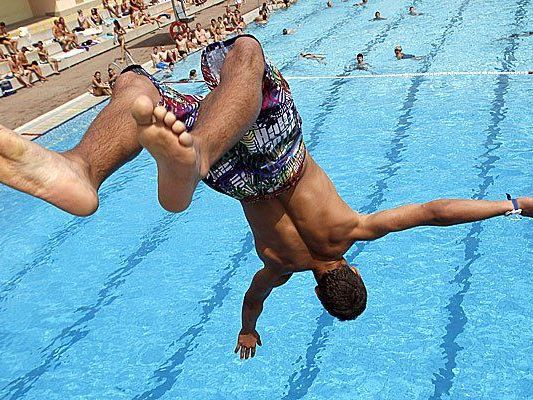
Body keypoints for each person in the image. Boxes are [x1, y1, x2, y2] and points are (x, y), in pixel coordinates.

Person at [0, 35, 531, 361]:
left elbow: (435, 213)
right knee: (136, 86)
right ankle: (108, 169)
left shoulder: (354, 231)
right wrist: (248, 329)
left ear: (355, 272)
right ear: (321, 290)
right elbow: (253, 300)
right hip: (234, 183)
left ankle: (92, 164)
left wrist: (515, 206)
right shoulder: (278, 267)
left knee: (248, 53)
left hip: (282, 158)